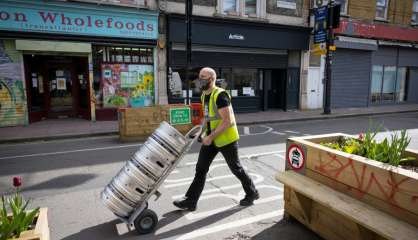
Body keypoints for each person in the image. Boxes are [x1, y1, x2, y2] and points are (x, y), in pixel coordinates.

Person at [173, 67, 259, 211]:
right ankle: (191, 201)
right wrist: (201, 132)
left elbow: (228, 121)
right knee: (201, 169)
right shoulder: (204, 95)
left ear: (212, 79)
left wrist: (211, 136)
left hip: (226, 139)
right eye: (199, 76)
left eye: (203, 77)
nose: (200, 80)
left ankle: (252, 193)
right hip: (211, 139)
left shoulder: (220, 95)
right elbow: (208, 118)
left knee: (236, 168)